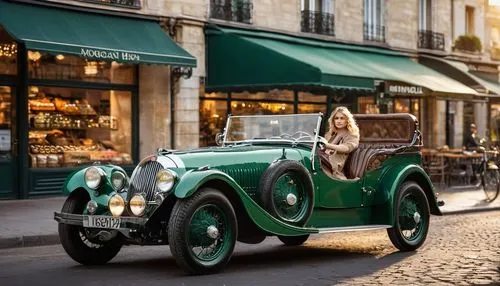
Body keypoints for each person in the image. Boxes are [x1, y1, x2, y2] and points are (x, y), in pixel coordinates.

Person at [319, 106, 360, 180]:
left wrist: (328, 145)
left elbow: (347, 148)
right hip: (322, 161)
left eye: (342, 118)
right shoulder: (330, 133)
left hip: (333, 168)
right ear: (333, 120)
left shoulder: (351, 134)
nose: (338, 121)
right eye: (336, 118)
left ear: (347, 120)